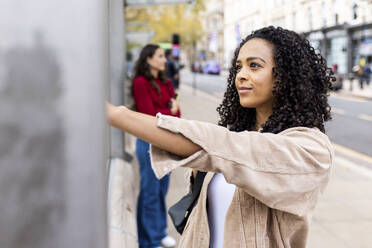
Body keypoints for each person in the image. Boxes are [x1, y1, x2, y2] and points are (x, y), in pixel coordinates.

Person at [107, 27, 334, 248]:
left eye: (254, 66)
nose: (241, 76)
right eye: (238, 67)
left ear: (285, 76)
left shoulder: (312, 149)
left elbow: (233, 149)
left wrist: (115, 115)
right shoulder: (234, 132)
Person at [131, 44, 179, 248]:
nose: (164, 60)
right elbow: (149, 116)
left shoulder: (166, 82)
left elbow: (178, 116)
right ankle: (149, 240)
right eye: (160, 56)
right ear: (148, 59)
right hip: (148, 142)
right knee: (150, 191)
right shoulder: (140, 83)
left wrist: (168, 112)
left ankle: (158, 232)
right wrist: (170, 109)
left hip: (165, 141)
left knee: (161, 190)